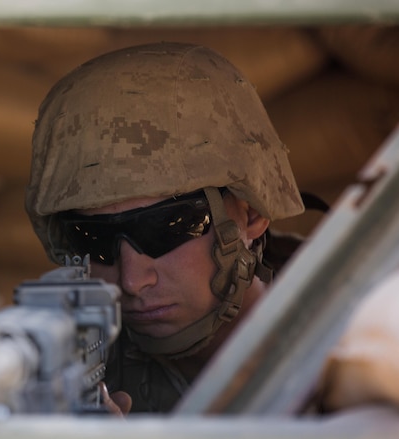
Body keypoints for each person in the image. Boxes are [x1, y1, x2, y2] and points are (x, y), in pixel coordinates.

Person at [24, 42, 305, 414]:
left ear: (249, 214)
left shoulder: (361, 334)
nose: (132, 280)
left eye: (166, 228)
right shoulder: (69, 365)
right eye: (94, 238)